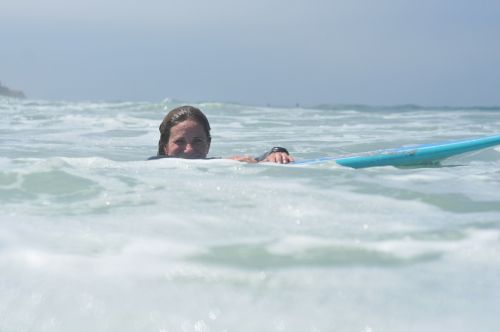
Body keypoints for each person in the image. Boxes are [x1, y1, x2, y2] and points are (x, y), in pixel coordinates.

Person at [150, 105, 294, 163]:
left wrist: (277, 153)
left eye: (197, 141)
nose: (189, 149)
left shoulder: (214, 166)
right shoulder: (152, 168)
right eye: (180, 141)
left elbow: (259, 158)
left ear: (208, 145)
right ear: (165, 147)